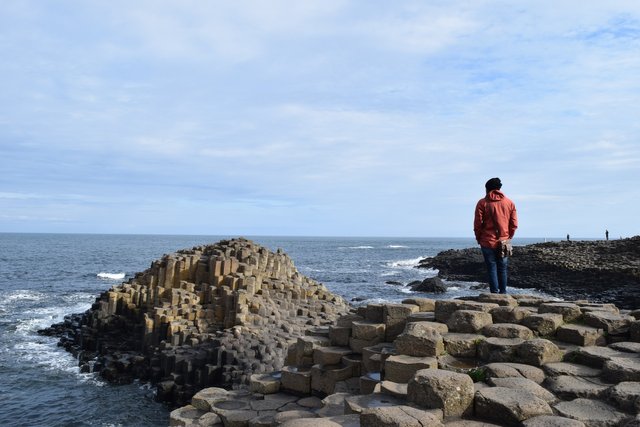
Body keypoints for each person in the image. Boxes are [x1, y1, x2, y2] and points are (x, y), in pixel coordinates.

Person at [474, 177, 518, 294]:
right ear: (499, 188)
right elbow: (514, 224)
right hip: (503, 241)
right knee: (502, 268)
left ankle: (494, 293)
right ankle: (503, 293)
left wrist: (479, 238)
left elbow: (477, 224)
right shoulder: (509, 203)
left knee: (491, 268)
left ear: (487, 189)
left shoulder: (482, 203)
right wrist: (508, 237)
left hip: (487, 241)